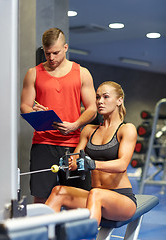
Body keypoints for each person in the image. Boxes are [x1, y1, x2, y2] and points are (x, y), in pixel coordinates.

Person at [20, 28, 97, 204]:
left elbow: (92, 108)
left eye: (56, 53)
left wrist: (75, 124)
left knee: (76, 197)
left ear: (66, 48)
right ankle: (43, 232)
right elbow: (24, 105)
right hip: (43, 143)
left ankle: (72, 232)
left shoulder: (82, 73)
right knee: (41, 196)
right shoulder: (33, 73)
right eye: (48, 54)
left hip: (74, 144)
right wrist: (36, 113)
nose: (52, 58)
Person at [45, 81, 137, 226]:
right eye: (98, 97)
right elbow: (75, 159)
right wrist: (68, 163)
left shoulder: (126, 129)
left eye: (106, 97)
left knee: (96, 194)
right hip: (94, 195)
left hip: (122, 199)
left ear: (119, 100)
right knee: (58, 191)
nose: (100, 101)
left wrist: (93, 164)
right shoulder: (89, 130)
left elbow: (122, 165)